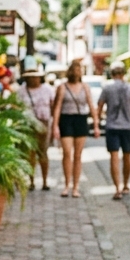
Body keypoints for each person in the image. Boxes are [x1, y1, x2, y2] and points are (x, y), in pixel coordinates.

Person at [51, 59, 99, 198]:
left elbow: (91, 105)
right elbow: (57, 107)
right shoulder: (62, 87)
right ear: (70, 71)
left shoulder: (85, 87)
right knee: (67, 153)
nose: (77, 72)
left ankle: (76, 186)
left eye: (79, 70)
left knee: (78, 155)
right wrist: (55, 126)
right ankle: (67, 184)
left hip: (80, 119)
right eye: (75, 69)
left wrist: (95, 125)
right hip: (66, 120)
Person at [97, 62, 130, 200]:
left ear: (111, 74)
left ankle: (117, 188)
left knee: (114, 156)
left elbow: (99, 107)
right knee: (127, 155)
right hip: (128, 126)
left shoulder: (107, 88)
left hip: (112, 126)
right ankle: (125, 184)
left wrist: (98, 123)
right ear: (124, 73)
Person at [16, 65, 55, 190]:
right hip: (27, 125)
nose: (34, 80)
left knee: (43, 152)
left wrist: (54, 124)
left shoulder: (47, 90)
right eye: (31, 78)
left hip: (43, 123)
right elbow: (16, 107)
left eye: (36, 77)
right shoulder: (21, 91)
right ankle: (31, 181)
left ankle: (44, 181)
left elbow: (53, 106)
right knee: (30, 153)